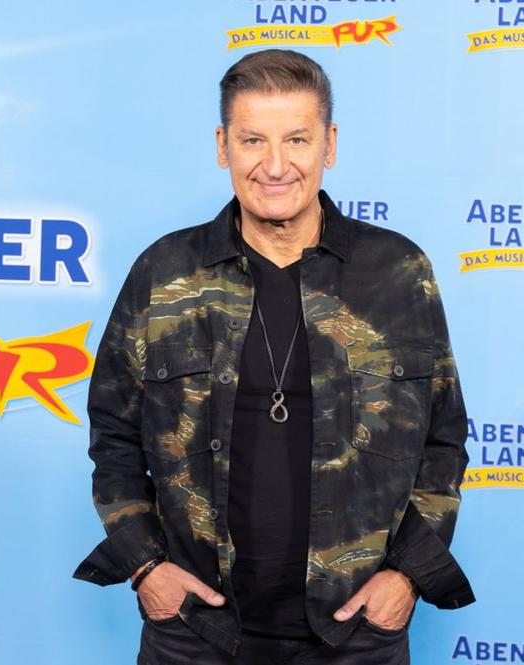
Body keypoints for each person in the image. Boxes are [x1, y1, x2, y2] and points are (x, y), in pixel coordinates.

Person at [73, 49, 474, 664]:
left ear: (329, 145)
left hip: (355, 633)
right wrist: (146, 567)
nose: (276, 165)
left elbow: (442, 441)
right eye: (253, 140)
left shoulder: (398, 272)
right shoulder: (164, 272)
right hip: (195, 631)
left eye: (298, 139)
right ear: (223, 146)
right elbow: (114, 436)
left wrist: (407, 577)